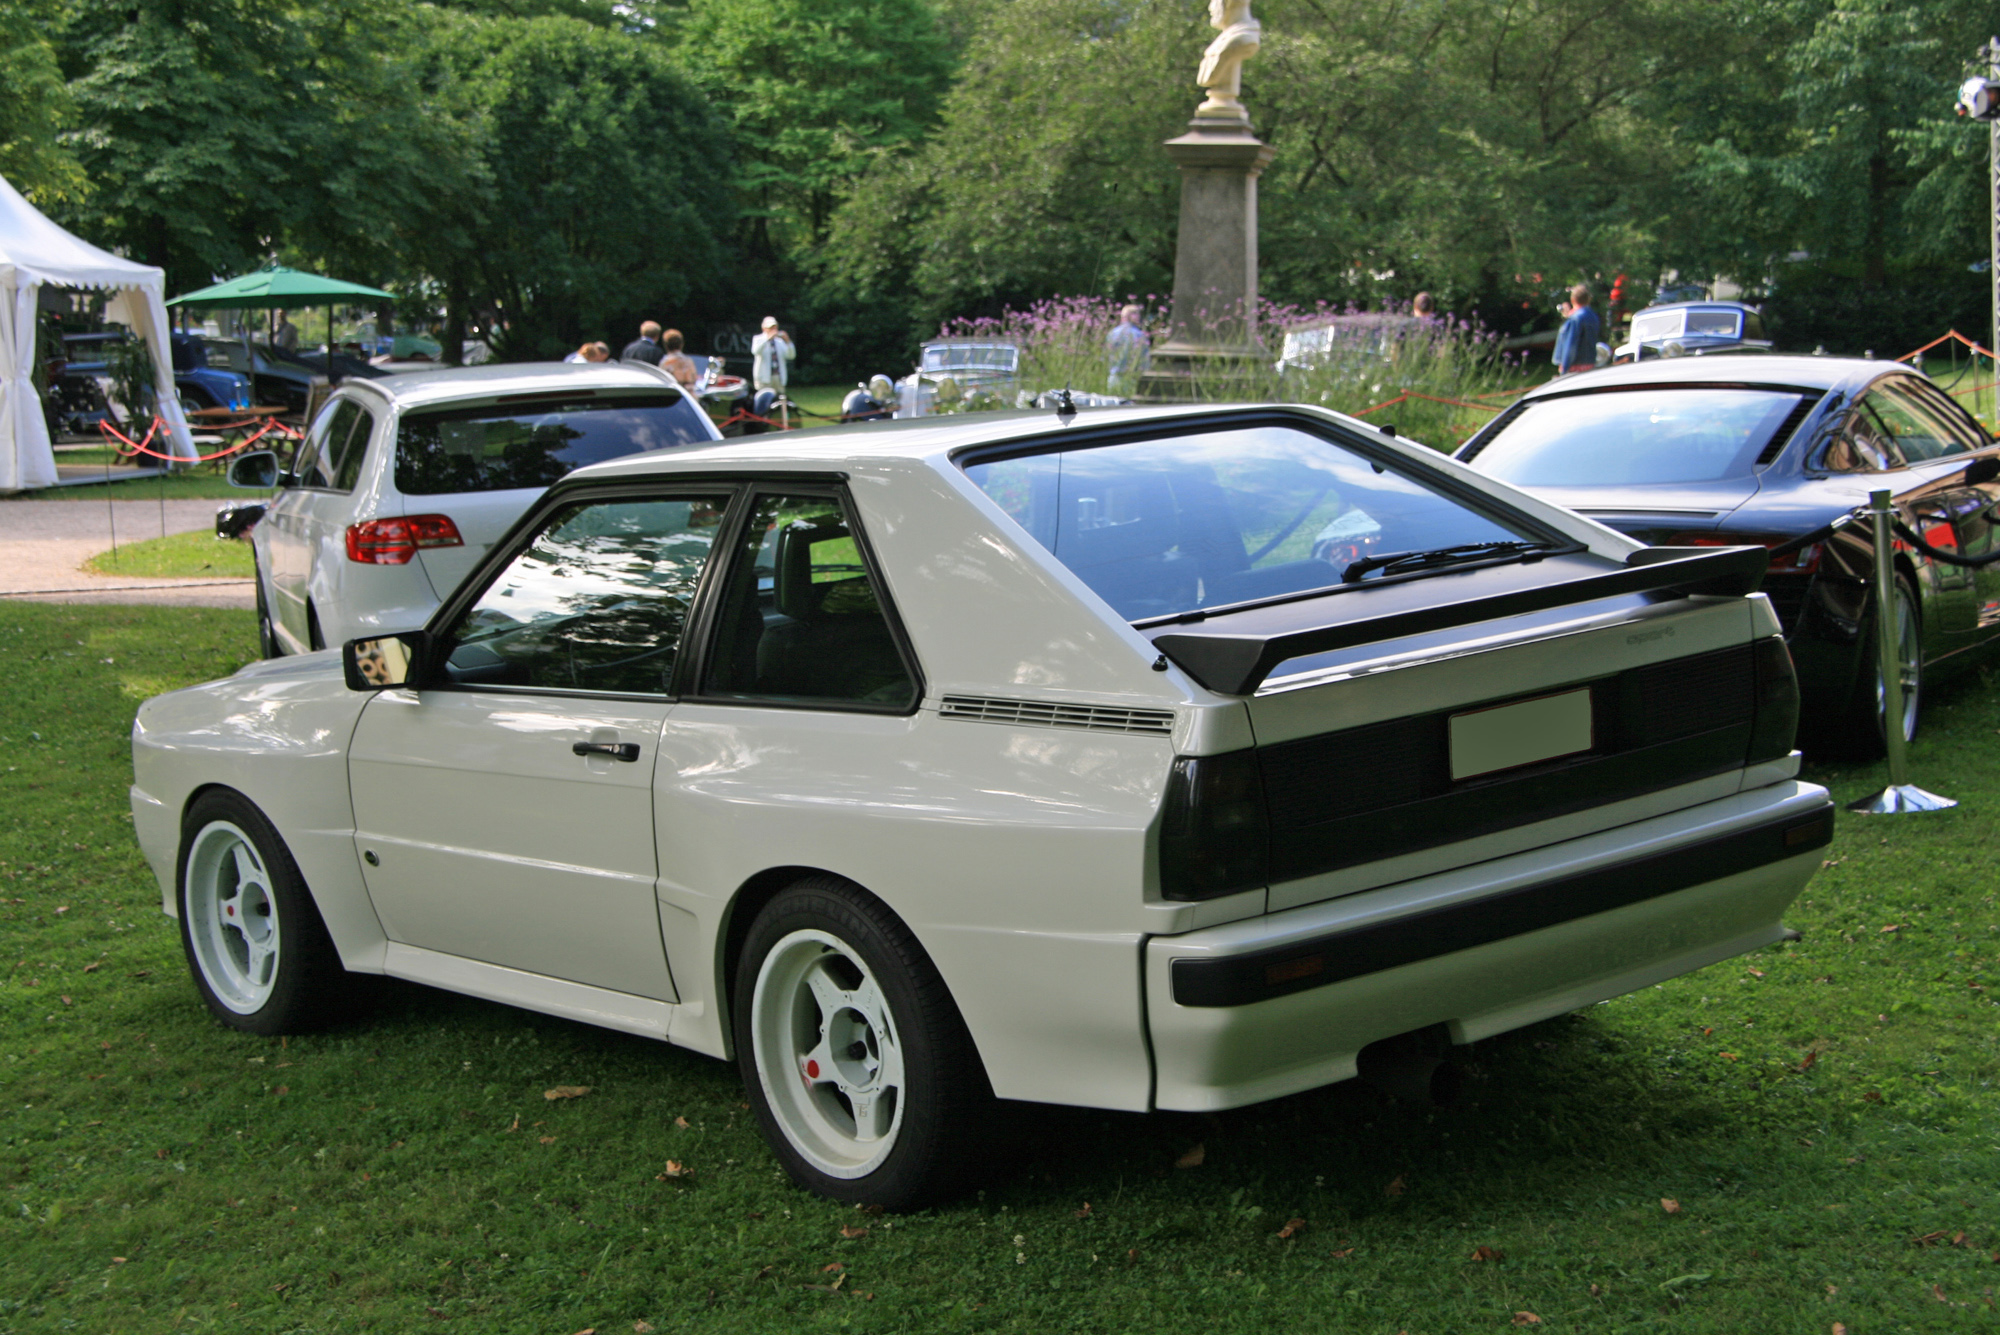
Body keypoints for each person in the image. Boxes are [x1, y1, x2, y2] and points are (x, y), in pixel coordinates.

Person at [1552, 283, 1600, 374]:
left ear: (1572, 299)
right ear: (1588, 299)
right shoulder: (1593, 316)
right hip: (1590, 363)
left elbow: (1570, 344)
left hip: (1576, 367)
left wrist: (1565, 368)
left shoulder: (1575, 319)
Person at [1105, 304, 1150, 394]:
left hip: (1114, 375)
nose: (1139, 317)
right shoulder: (1139, 335)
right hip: (1131, 376)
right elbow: (1144, 359)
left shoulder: (1112, 333)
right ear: (1130, 316)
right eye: (1136, 314)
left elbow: (1106, 354)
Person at [750, 316, 794, 392]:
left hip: (778, 377)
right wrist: (768, 338)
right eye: (770, 328)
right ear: (764, 328)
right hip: (763, 378)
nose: (773, 330)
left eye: (774, 327)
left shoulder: (780, 342)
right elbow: (756, 351)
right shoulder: (758, 339)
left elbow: (791, 356)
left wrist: (788, 341)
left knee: (780, 400)